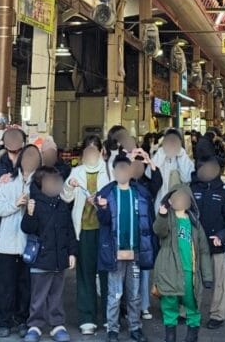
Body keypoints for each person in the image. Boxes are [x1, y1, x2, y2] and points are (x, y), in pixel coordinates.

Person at [96, 153, 154, 342]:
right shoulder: (107, 194)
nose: (122, 172)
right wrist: (102, 208)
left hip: (135, 251)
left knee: (134, 293)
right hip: (115, 252)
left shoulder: (140, 194)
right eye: (118, 169)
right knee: (115, 293)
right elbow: (103, 222)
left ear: (130, 171)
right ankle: (112, 329)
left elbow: (147, 220)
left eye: (125, 169)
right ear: (114, 172)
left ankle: (135, 327)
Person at [0, 143, 43, 337]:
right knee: (5, 285)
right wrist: (15, 204)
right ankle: (4, 321)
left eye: (34, 156)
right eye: (27, 156)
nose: (30, 160)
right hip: (7, 242)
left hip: (28, 243)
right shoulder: (9, 181)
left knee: (25, 284)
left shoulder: (40, 183)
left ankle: (23, 320)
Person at [21, 167, 77, 342]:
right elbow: (28, 229)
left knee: (56, 293)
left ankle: (57, 324)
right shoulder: (35, 203)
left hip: (59, 259)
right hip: (41, 258)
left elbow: (69, 230)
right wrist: (29, 214)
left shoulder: (62, 205)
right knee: (38, 295)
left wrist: (72, 253)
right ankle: (35, 325)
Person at [63, 134, 111, 336]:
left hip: (105, 229)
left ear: (101, 152)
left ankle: (110, 316)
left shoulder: (109, 170)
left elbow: (116, 197)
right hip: (83, 229)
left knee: (108, 273)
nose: (90, 154)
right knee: (85, 274)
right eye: (87, 151)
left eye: (94, 150)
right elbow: (66, 197)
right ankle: (87, 317)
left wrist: (100, 201)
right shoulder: (77, 171)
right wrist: (69, 185)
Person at [153, 185, 213, 342]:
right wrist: (162, 215)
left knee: (193, 305)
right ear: (170, 200)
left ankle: (192, 337)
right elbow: (159, 230)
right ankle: (170, 337)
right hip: (169, 272)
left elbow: (204, 251)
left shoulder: (195, 223)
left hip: (190, 273)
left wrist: (207, 276)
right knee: (169, 306)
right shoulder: (167, 218)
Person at [0, 126, 28, 330]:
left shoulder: (31, 169)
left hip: (25, 233)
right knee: (0, 277)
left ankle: (20, 317)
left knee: (23, 279)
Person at [190, 157, 225, 330]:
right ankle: (188, 311)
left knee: (219, 283)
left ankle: (217, 315)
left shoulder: (223, 194)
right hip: (194, 246)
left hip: (216, 246)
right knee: (191, 280)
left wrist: (223, 235)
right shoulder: (190, 190)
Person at [130, 148, 163, 320]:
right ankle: (129, 306)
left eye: (140, 165)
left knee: (144, 271)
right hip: (127, 232)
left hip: (145, 233)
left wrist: (151, 162)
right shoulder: (122, 183)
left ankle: (144, 306)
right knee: (128, 272)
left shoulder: (148, 184)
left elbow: (158, 181)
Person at [154, 129, 195, 211]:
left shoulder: (183, 156)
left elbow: (187, 178)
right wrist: (162, 153)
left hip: (179, 202)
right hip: (161, 201)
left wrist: (181, 155)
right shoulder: (159, 154)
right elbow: (150, 174)